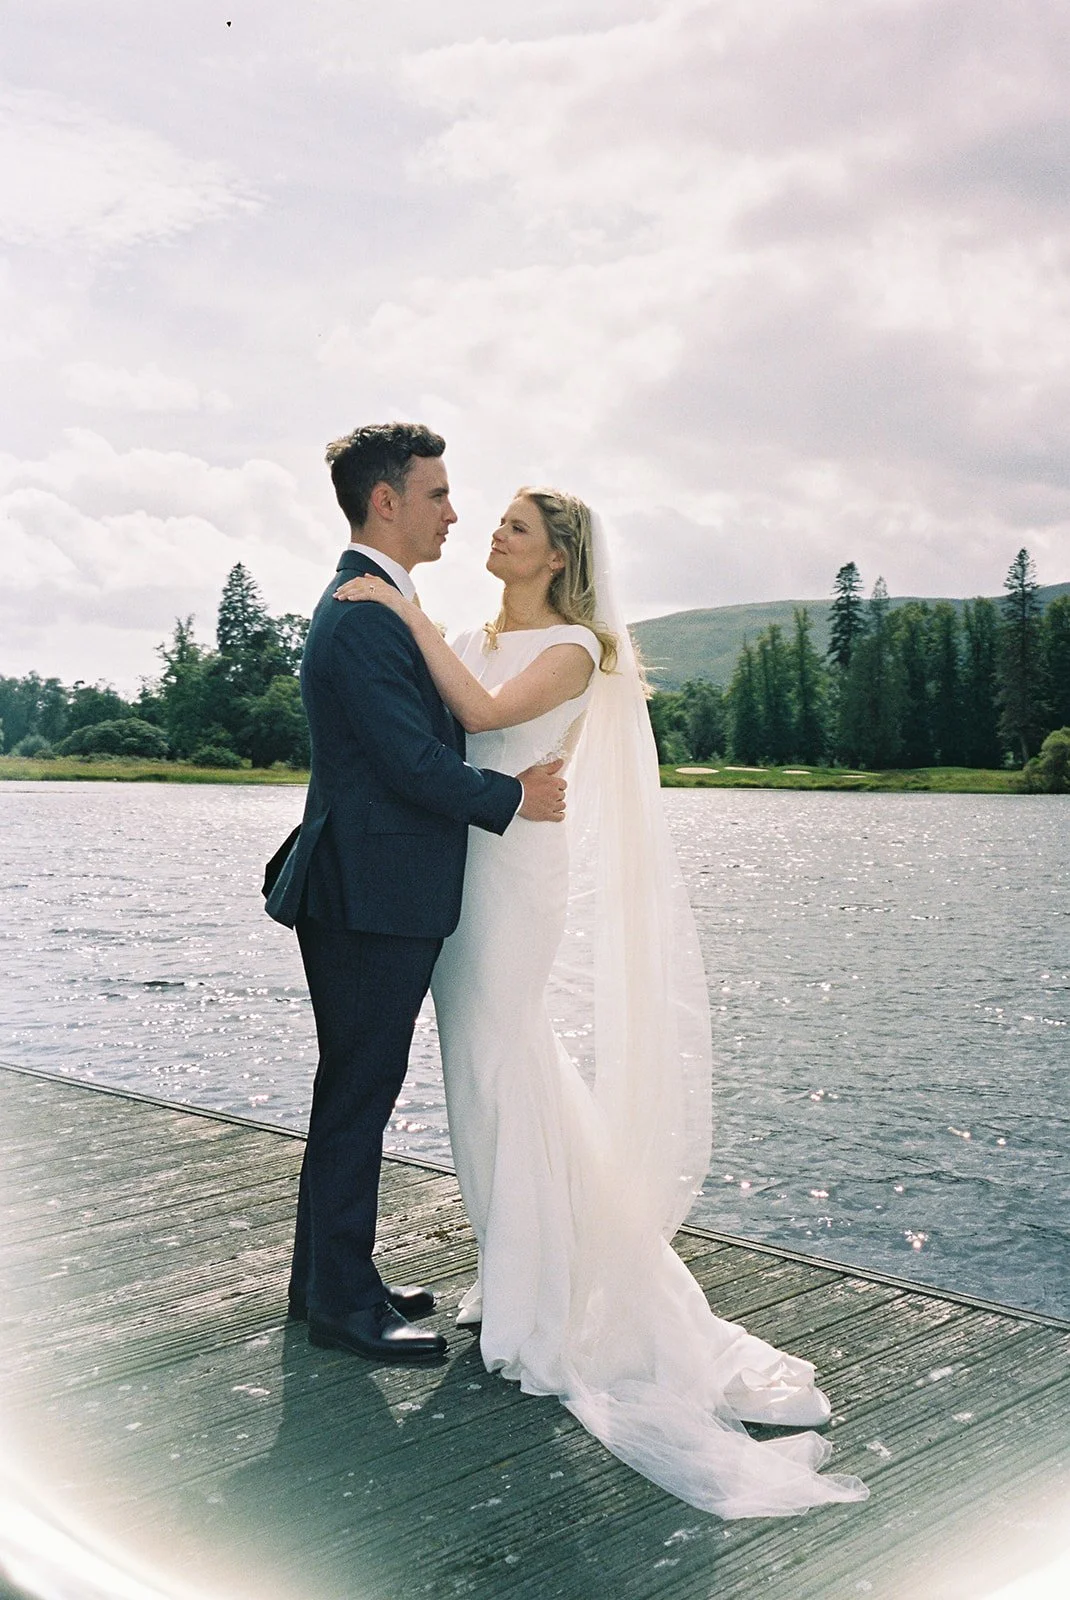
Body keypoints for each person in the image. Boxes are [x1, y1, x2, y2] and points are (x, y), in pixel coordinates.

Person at [335, 485, 869, 1518]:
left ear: (557, 553)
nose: (493, 534)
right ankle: (524, 1271)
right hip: (457, 864)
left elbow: (484, 717)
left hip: (514, 873)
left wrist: (398, 612)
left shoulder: (575, 646)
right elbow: (431, 736)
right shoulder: (467, 632)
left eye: (515, 529)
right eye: (491, 522)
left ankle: (543, 1304)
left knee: (503, 1062)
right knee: (486, 1077)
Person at [263, 424, 567, 1366]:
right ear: (385, 500)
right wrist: (516, 796)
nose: (454, 510)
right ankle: (344, 1306)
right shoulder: (362, 614)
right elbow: (411, 763)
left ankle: (326, 1281)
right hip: (368, 891)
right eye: (436, 493)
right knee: (359, 1093)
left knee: (352, 1090)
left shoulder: (383, 604)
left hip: (369, 886)